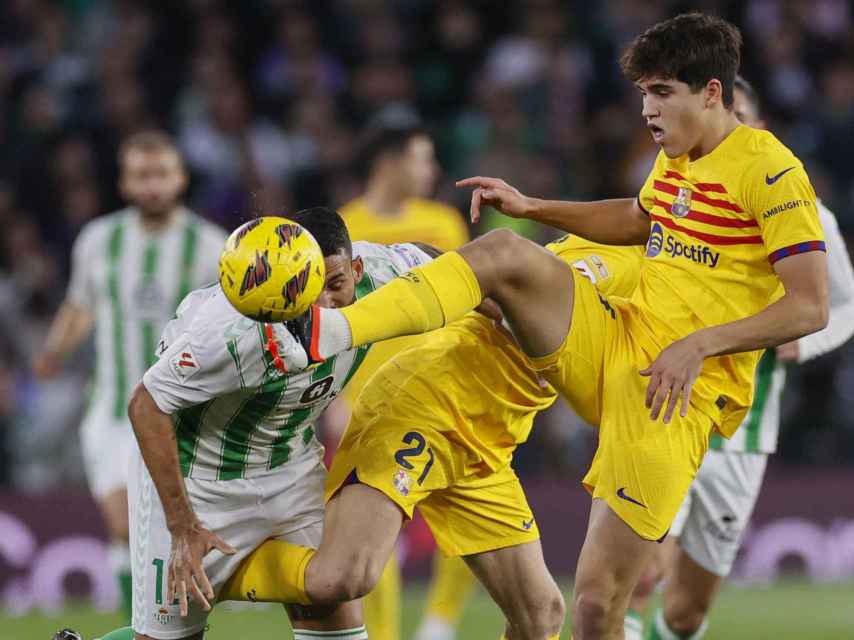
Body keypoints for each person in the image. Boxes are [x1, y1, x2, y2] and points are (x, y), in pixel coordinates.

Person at [283, 13, 829, 639]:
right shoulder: (676, 157)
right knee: (507, 255)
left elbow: (809, 307)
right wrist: (532, 206)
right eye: (642, 94)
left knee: (596, 608)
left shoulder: (771, 171)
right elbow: (638, 218)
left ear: (711, 92)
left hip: (673, 393)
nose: (647, 111)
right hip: (615, 339)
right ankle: (336, 329)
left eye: (661, 94)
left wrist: (699, 345)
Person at [215, 231, 645, 640]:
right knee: (349, 574)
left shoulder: (674, 291)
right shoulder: (613, 255)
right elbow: (499, 260)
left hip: (489, 438)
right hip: (428, 404)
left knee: (540, 613)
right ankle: (212, 568)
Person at [95, 208, 440, 640]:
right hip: (199, 482)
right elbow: (146, 406)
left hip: (289, 468)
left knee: (335, 614)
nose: (326, 304)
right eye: (312, 290)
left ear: (355, 268)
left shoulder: (380, 271)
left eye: (337, 285)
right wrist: (182, 528)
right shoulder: (228, 331)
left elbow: (448, 267)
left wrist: (496, 314)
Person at [625, 76, 854, 640]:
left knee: (684, 615)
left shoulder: (808, 214)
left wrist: (806, 341)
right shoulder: (677, 193)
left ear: (759, 129)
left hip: (743, 432)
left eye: (743, 119)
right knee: (639, 573)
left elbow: (845, 306)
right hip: (667, 407)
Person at [33, 131, 227, 620]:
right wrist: (54, 349)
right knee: (124, 525)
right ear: (125, 182)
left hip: (182, 414)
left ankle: (153, 621)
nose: (153, 185)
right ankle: (142, 620)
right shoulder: (100, 239)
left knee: (158, 528)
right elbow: (82, 305)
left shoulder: (208, 244)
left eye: (161, 173)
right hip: (114, 408)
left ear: (180, 177)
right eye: (142, 175)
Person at [336, 123, 472, 640]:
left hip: (441, 392)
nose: (431, 170)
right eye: (422, 158)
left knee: (467, 513)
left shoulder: (444, 223)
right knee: (375, 530)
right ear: (389, 162)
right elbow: (333, 316)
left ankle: (439, 625)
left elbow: (461, 302)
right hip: (367, 401)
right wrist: (338, 395)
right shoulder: (346, 225)